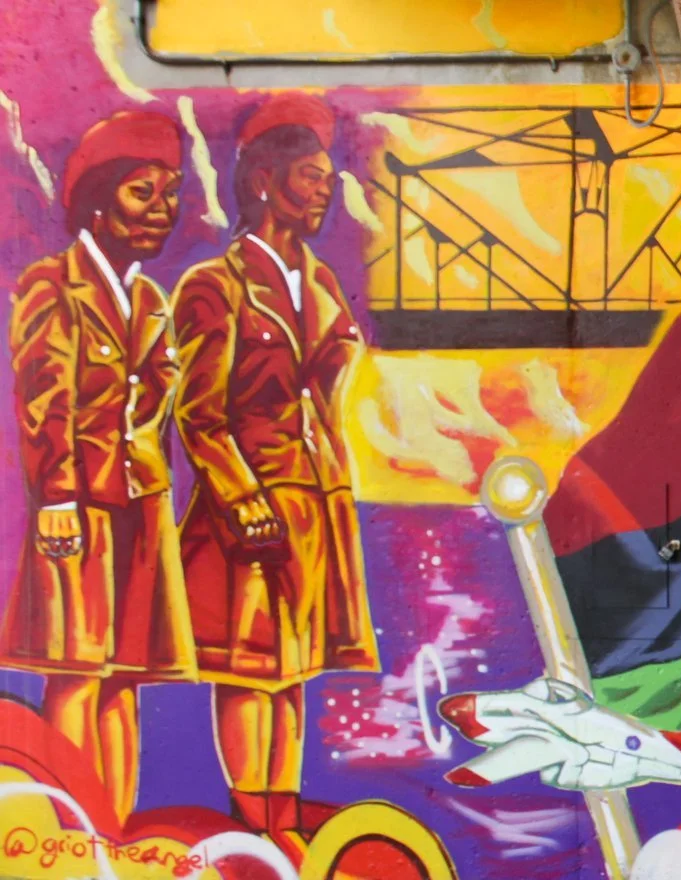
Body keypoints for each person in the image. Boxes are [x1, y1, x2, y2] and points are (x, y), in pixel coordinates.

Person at [170, 92, 376, 837]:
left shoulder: (319, 285)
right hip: (248, 510)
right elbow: (197, 413)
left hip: (314, 500)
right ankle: (253, 824)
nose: (324, 191)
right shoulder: (215, 287)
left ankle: (281, 822)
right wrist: (241, 496)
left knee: (294, 673)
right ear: (263, 181)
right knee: (249, 672)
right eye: (310, 177)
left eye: (327, 178)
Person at [2, 110, 196, 821]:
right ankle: (72, 834)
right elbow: (43, 398)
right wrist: (57, 495)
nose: (162, 210)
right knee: (79, 674)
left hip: (140, 506)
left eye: (170, 194)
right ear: (96, 199)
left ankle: (113, 833)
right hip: (78, 509)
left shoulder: (148, 298)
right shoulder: (53, 285)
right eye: (143, 193)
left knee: (124, 679)